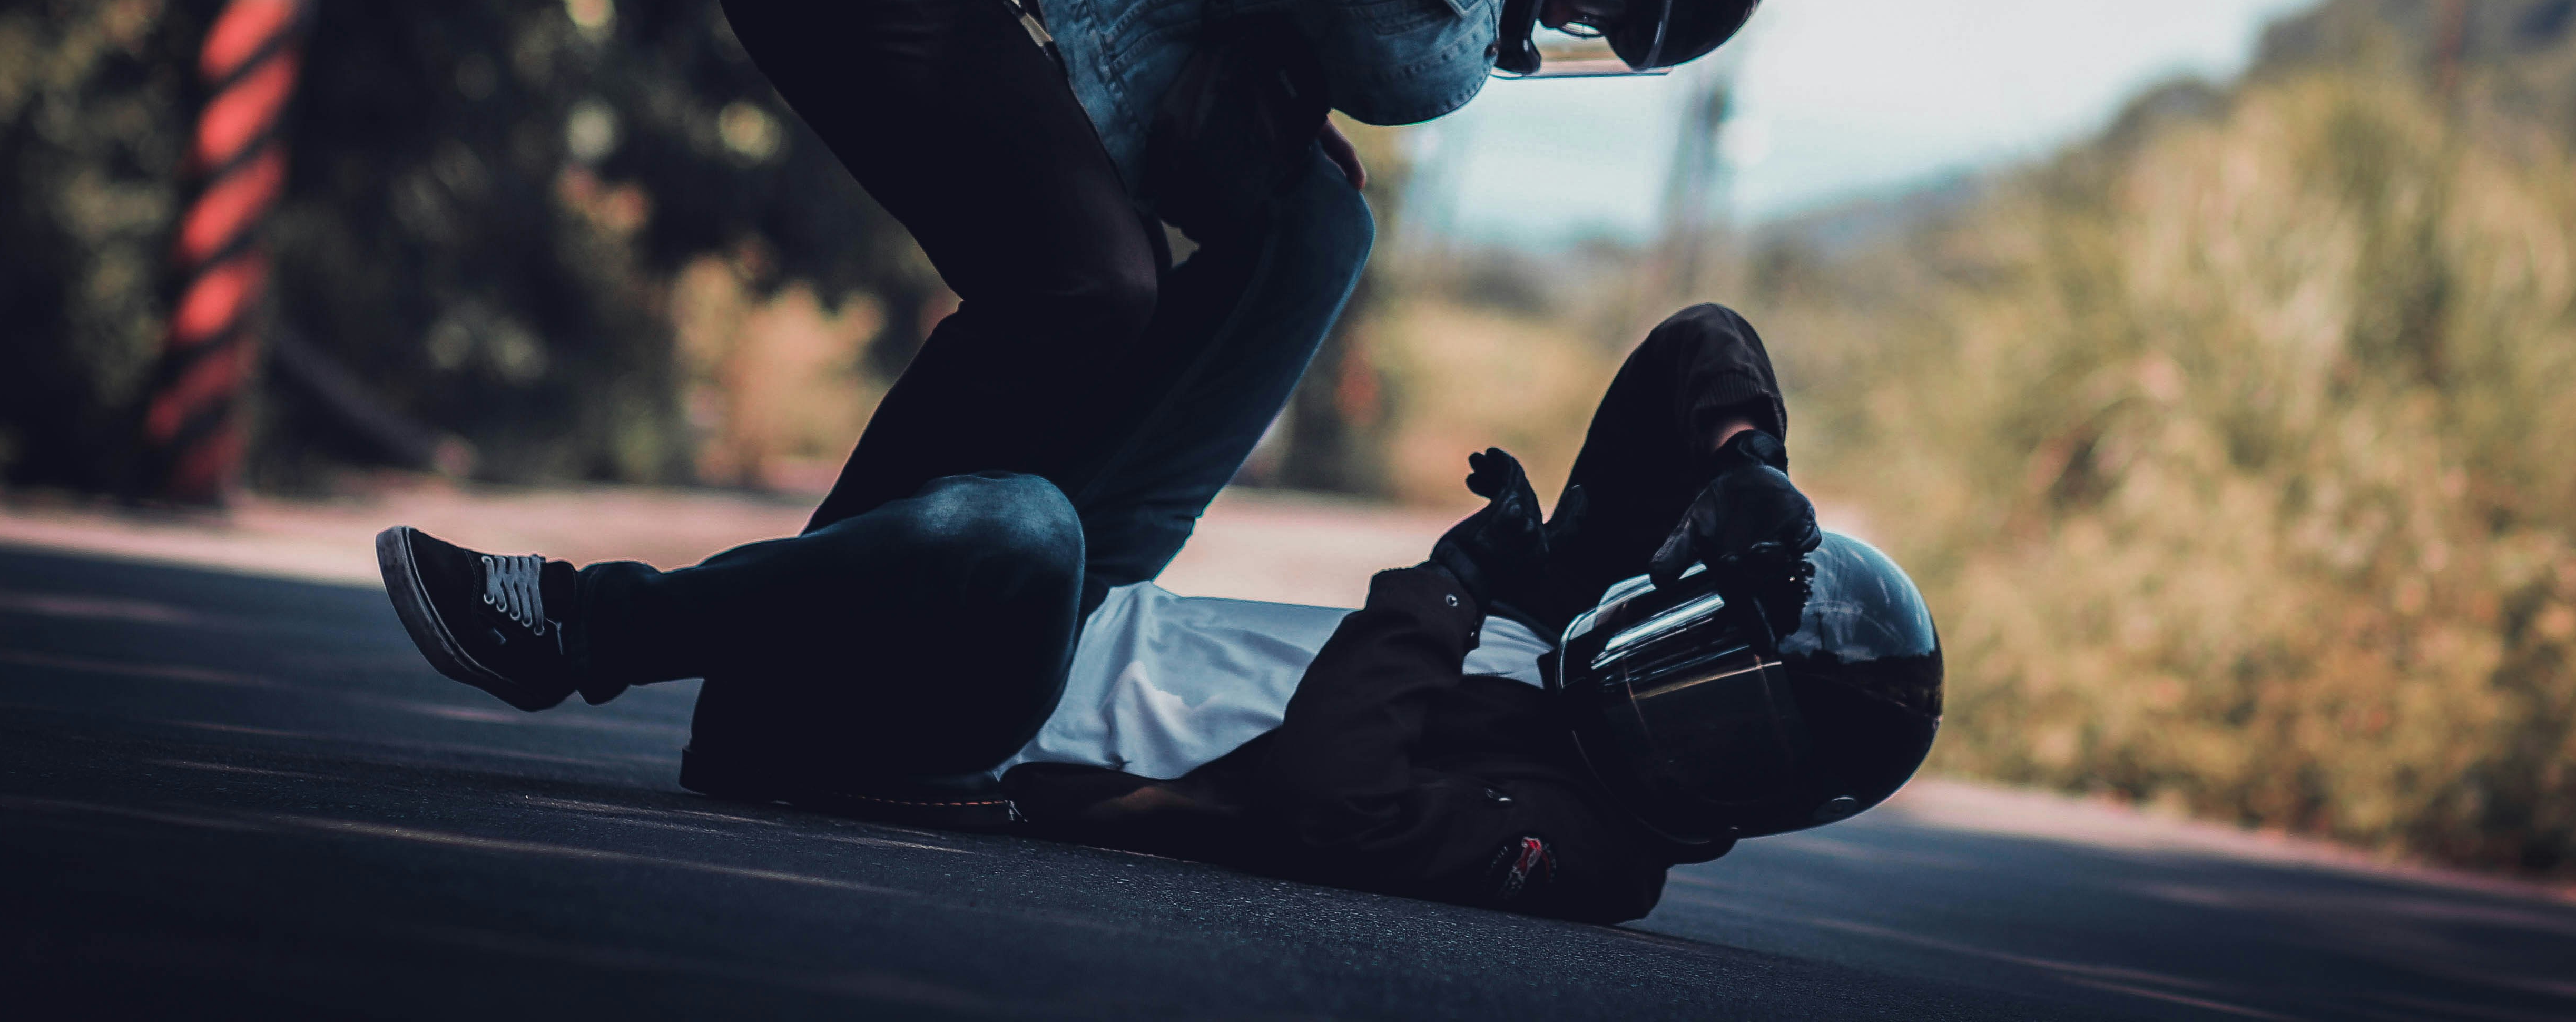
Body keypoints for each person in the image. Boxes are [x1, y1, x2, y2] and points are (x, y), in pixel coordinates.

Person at [676, 0, 1788, 794]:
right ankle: (771, 688)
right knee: (1086, 285)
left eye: (1612, 29)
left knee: (1313, 233)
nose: (1576, 14)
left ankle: (1035, 632)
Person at [375, 305, 1940, 924]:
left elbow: (1342, 797)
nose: (1678, 700)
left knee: (1020, 524)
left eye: (1729, 726)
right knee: (1315, 245)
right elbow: (1695, 345)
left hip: (998, 725)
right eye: (1703, 664)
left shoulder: (1597, 855)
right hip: (1106, 607)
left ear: (1758, 796)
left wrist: (1453, 587)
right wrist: (1751, 468)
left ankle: (585, 634)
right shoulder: (1594, 618)